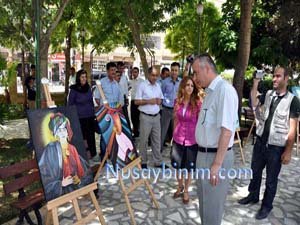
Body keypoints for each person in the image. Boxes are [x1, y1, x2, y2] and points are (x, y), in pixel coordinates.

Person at [238, 66, 300, 220]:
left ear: (286, 78)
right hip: (260, 143)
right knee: (255, 172)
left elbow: (292, 129)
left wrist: (288, 151)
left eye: (278, 76)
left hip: (276, 148)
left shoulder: (293, 100)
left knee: (271, 180)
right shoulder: (268, 94)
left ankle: (266, 206)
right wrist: (255, 83)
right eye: (274, 75)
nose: (274, 79)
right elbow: (253, 103)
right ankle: (253, 196)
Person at [192, 53, 238, 225]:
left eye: (196, 73)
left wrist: (217, 165)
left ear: (207, 68)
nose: (195, 78)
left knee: (212, 210)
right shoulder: (210, 92)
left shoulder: (224, 91)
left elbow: (227, 131)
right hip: (204, 155)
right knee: (205, 205)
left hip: (215, 158)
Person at [38, 113, 93, 201]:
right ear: (55, 134)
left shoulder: (72, 148)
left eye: (64, 129)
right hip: (63, 190)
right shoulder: (50, 149)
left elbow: (82, 170)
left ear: (68, 131)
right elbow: (44, 174)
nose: (62, 132)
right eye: (59, 130)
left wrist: (78, 180)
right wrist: (61, 184)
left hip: (74, 187)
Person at [171, 76, 201, 204]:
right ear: (183, 87)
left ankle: (186, 190)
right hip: (178, 139)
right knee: (178, 167)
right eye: (187, 85)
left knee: (189, 168)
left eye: (192, 85)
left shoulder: (198, 103)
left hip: (191, 140)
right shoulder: (177, 102)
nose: (190, 87)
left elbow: (200, 122)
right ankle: (180, 186)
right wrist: (173, 135)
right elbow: (176, 119)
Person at [135, 67, 165, 169]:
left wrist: (159, 101)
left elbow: (161, 99)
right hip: (145, 117)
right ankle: (143, 161)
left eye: (156, 75)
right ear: (148, 75)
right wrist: (148, 101)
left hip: (156, 117)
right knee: (143, 140)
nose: (155, 77)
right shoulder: (142, 85)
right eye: (153, 75)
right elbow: (136, 101)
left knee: (157, 140)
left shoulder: (158, 85)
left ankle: (158, 162)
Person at [94, 62, 123, 160]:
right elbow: (97, 99)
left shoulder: (117, 84)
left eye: (115, 70)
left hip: (115, 113)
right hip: (105, 113)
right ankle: (103, 156)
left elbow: (120, 100)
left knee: (114, 134)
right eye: (112, 70)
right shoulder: (101, 83)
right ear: (107, 71)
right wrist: (103, 109)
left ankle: (112, 154)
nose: (114, 72)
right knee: (104, 134)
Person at [68, 69, 97, 160]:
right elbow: (70, 104)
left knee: (91, 136)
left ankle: (93, 155)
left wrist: (94, 113)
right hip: (80, 118)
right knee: (83, 137)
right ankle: (85, 155)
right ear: (78, 78)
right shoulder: (74, 89)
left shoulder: (88, 88)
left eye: (85, 77)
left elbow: (91, 101)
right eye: (82, 77)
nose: (84, 79)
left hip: (90, 116)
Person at [161, 62, 181, 153]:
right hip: (166, 109)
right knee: (163, 130)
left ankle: (175, 151)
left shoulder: (181, 82)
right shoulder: (165, 82)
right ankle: (159, 149)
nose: (174, 72)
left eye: (176, 70)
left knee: (176, 131)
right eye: (172, 70)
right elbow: (161, 95)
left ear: (178, 71)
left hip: (177, 110)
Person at [129, 67, 144, 138]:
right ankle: (135, 132)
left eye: (135, 72)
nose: (134, 73)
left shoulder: (142, 81)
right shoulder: (131, 81)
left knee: (139, 117)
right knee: (133, 117)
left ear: (138, 73)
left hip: (139, 101)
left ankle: (138, 132)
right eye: (133, 72)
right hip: (132, 101)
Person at [117, 61, 131, 131]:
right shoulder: (114, 77)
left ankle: (129, 133)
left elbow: (126, 88)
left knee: (126, 117)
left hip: (123, 99)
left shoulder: (124, 77)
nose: (121, 70)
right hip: (116, 101)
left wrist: (127, 98)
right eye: (120, 68)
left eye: (122, 68)